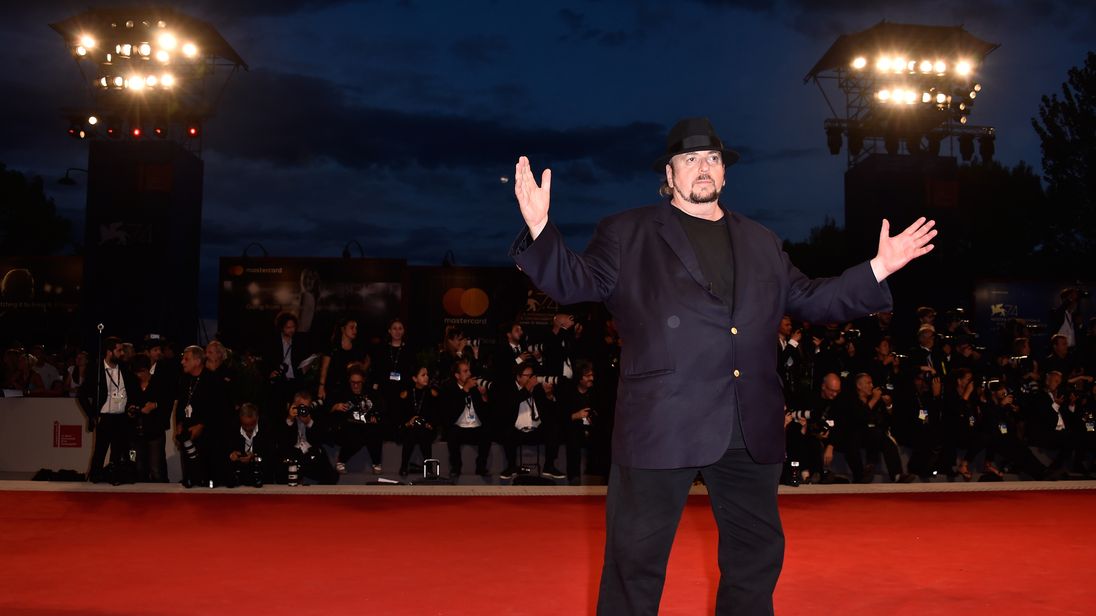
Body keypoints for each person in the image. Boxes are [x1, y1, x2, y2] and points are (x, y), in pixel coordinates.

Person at [509, 116, 937, 614]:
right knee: (635, 564)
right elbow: (574, 280)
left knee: (755, 561)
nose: (703, 168)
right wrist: (541, 228)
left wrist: (879, 268)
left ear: (725, 173)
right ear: (669, 176)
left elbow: (811, 299)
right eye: (689, 160)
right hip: (661, 423)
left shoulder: (762, 241)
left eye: (712, 158)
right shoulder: (629, 232)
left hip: (746, 424)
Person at [78, 336, 138, 483]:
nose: (122, 353)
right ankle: (95, 477)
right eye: (119, 350)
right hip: (104, 417)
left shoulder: (124, 368)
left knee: (124, 450)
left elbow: (133, 390)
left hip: (122, 417)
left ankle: (120, 475)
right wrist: (92, 415)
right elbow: (82, 394)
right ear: (109, 352)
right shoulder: (96, 370)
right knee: (100, 450)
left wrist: (131, 405)